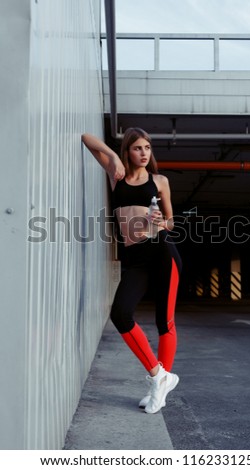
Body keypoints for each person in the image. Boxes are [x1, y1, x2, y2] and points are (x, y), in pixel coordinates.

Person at [81, 128, 182, 414]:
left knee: (166, 321)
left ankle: (158, 391)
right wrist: (114, 156)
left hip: (162, 252)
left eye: (148, 147)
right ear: (128, 150)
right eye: (137, 148)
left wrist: (161, 220)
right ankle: (159, 376)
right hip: (135, 259)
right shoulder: (117, 175)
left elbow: (172, 223)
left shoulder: (159, 181)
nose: (144, 153)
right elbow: (88, 139)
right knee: (120, 313)